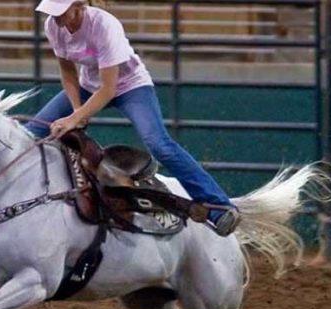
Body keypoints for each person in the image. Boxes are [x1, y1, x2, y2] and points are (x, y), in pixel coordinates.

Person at [26, 0, 240, 236]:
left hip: (129, 87)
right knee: (31, 132)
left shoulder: (105, 25)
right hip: (89, 86)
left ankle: (219, 206)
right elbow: (67, 71)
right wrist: (77, 110)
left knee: (160, 145)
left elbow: (109, 89)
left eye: (60, 12)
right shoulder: (53, 26)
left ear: (78, 6)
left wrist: (75, 117)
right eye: (51, 12)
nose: (55, 17)